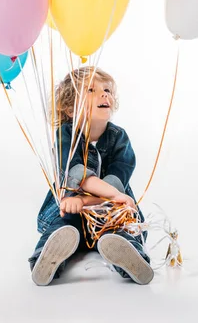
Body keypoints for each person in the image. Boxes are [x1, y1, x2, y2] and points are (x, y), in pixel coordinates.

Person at [28, 66, 153, 286]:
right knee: (63, 223)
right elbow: (77, 174)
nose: (104, 94)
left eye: (107, 89)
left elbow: (118, 179)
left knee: (123, 227)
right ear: (69, 108)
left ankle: (128, 255)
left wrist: (87, 200)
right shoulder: (66, 134)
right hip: (71, 207)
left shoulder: (119, 137)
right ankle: (47, 258)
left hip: (109, 208)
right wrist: (86, 199)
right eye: (91, 90)